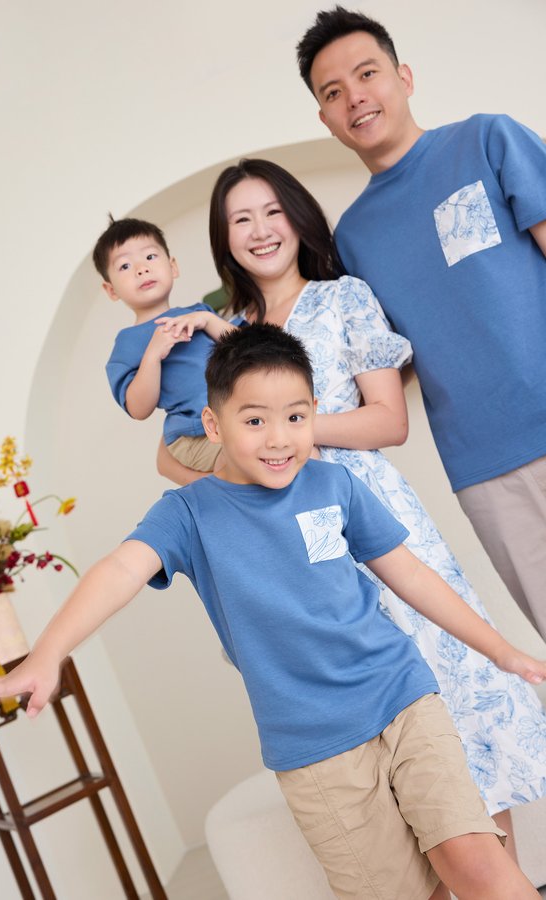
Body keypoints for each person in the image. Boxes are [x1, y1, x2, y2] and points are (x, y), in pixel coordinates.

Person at [0, 324, 545, 900]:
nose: (280, 438)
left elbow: (411, 575)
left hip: (403, 695)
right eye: (255, 420)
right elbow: (118, 571)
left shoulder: (334, 485)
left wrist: (501, 649)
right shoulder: (187, 513)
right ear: (212, 422)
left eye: (296, 417)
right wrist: (46, 655)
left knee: (475, 861)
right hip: (315, 747)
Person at [157, 158, 546, 855]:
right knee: (363, 743)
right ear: (224, 239)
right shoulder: (218, 331)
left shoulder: (345, 300)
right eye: (240, 219)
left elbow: (387, 421)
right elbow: (174, 453)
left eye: (273, 211)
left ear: (299, 219)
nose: (260, 230)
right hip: (286, 548)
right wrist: (254, 453)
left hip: (374, 517)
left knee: (451, 697)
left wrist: (284, 432)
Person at [296, 7, 546, 641]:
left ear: (404, 77)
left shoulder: (488, 139)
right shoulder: (351, 238)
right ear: (326, 119)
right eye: (333, 92)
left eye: (367, 73)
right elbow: (384, 366)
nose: (354, 97)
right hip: (484, 467)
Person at [94, 215, 234, 472]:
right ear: (111, 290)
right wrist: (152, 356)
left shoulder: (198, 313)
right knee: (238, 460)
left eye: (150, 257)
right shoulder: (126, 344)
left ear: (173, 267)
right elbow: (139, 409)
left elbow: (246, 347)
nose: (141, 268)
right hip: (193, 434)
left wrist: (206, 319)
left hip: (234, 419)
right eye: (125, 266)